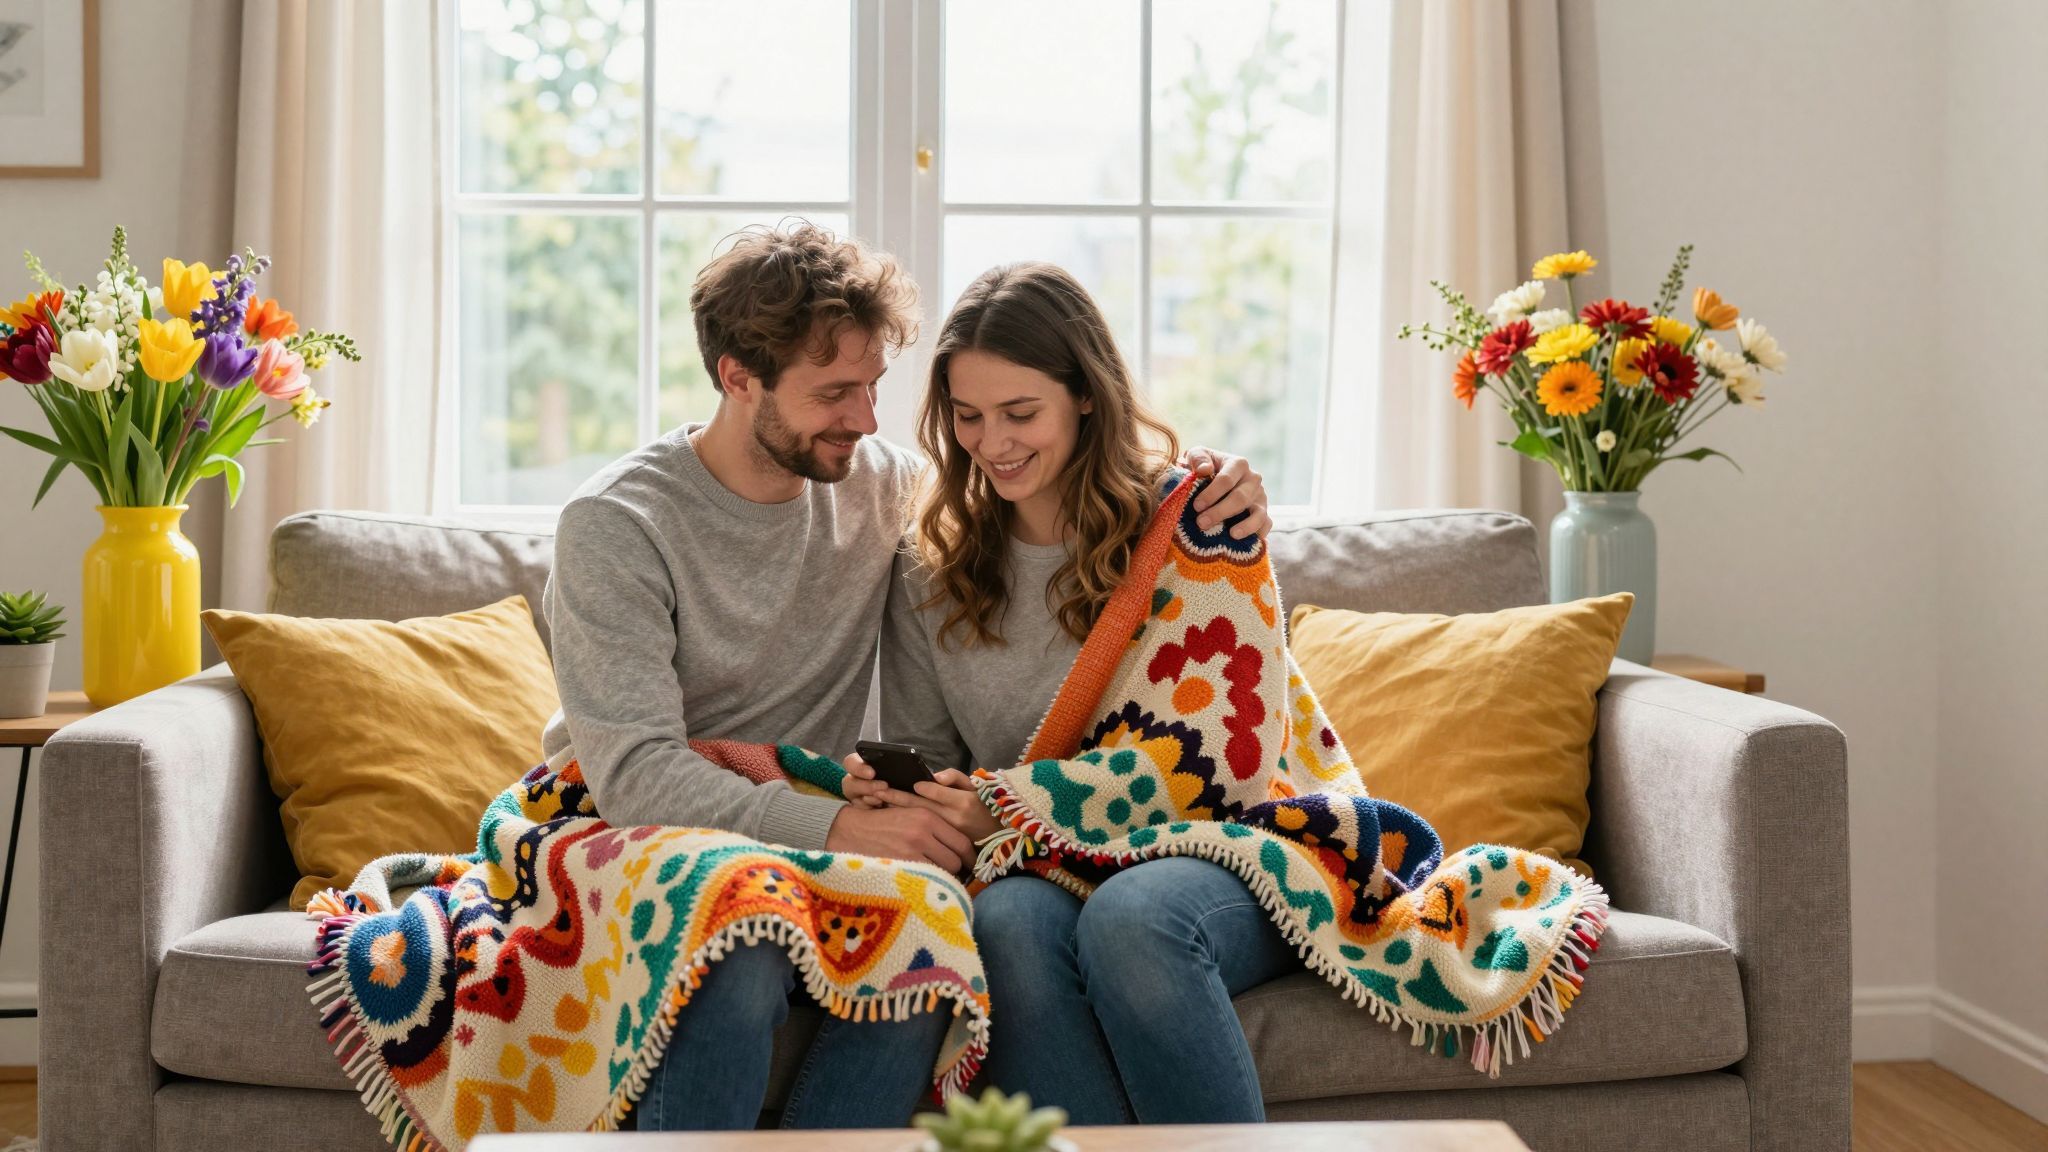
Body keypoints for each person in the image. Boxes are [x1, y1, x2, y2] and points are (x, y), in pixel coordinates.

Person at [540, 224, 1270, 1130]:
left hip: (822, 830)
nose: (865, 419)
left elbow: (1051, 477)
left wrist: (1220, 481)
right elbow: (635, 775)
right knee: (744, 952)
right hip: (634, 822)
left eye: (874, 386)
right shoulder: (616, 525)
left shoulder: (885, 489)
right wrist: (845, 824)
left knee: (925, 925)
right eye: (833, 394)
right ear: (737, 378)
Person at [869, 261, 1296, 1125]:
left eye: (1021, 412)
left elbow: (1225, 761)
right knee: (1006, 923)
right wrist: (919, 804)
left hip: (1226, 846)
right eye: (968, 416)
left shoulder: (1198, 520)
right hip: (1040, 863)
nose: (993, 442)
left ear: (1087, 397)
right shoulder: (930, 563)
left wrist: (1004, 807)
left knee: (1131, 919)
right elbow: (934, 763)